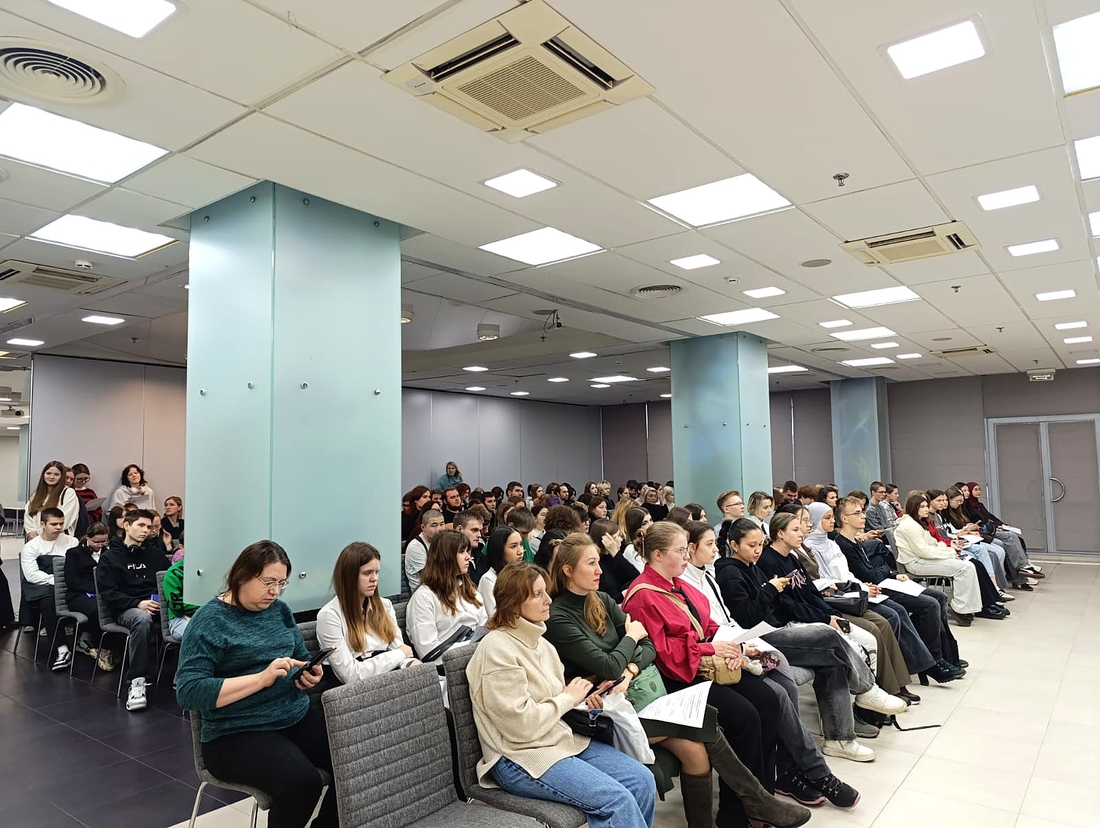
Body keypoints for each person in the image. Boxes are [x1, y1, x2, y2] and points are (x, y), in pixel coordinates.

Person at [545, 534, 811, 828]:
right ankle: (756, 805)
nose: (600, 570)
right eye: (592, 563)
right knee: (719, 723)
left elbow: (647, 647)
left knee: (715, 737)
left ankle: (756, 805)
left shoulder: (603, 599)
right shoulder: (560, 616)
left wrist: (630, 667)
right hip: (606, 709)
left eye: (598, 562)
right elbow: (612, 662)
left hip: (634, 690)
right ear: (568, 570)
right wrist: (631, 639)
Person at [466, 562, 656, 828]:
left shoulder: (541, 644)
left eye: (546, 591)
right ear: (513, 603)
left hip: (559, 742)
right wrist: (567, 698)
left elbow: (555, 701)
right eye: (537, 594)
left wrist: (584, 701)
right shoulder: (497, 650)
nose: (548, 600)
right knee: (617, 801)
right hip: (518, 758)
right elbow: (519, 727)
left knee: (642, 781)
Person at [176, 540, 335, 828]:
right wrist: (260, 679)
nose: (275, 591)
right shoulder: (209, 620)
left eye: (281, 584)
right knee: (302, 783)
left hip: (292, 716)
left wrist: (309, 674)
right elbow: (189, 692)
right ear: (242, 576)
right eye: (268, 582)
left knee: (353, 761)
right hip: (235, 733)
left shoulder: (279, 610)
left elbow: (300, 657)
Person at [714, 519, 905, 745]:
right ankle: (866, 689)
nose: (757, 551)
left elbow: (798, 598)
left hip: (776, 627)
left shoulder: (753, 566)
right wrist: (770, 590)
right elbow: (748, 617)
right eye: (751, 545)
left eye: (759, 545)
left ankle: (840, 740)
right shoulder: (730, 573)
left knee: (832, 659)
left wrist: (820, 612)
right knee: (828, 637)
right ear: (734, 545)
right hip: (759, 637)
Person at [756, 512, 916, 701]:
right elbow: (788, 605)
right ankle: (864, 697)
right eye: (796, 529)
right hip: (794, 622)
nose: (801, 534)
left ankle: (869, 697)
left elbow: (811, 594)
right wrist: (826, 618)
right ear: (780, 533)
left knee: (869, 639)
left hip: (814, 614)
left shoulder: (792, 559)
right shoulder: (767, 562)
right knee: (854, 645)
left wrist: (832, 614)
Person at [829, 499, 964, 683]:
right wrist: (885, 570)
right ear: (844, 518)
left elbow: (872, 570)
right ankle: (934, 660)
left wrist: (891, 573)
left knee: (939, 597)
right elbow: (868, 574)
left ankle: (946, 655)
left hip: (881, 582)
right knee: (928, 605)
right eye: (858, 513)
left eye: (862, 512)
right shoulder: (843, 544)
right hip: (872, 588)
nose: (863, 516)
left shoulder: (854, 540)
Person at [96, 509, 168, 711]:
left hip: (157, 605)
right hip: (127, 608)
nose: (146, 530)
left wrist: (158, 601)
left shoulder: (155, 554)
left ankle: (186, 676)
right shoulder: (110, 558)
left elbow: (167, 582)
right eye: (141, 525)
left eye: (149, 527)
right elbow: (109, 593)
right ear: (126, 526)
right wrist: (137, 603)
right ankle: (137, 681)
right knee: (142, 619)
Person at [316, 542, 417, 684]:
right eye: (367, 573)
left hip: (390, 681)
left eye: (376, 572)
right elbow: (351, 676)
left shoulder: (385, 605)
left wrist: (411, 664)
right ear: (349, 576)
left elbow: (401, 652)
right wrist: (398, 655)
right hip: (357, 692)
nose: (374, 578)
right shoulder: (329, 616)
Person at [894, 493, 985, 625]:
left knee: (968, 565)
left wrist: (949, 551)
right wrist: (948, 553)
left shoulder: (917, 522)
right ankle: (960, 608)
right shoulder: (909, 526)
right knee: (965, 568)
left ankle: (965, 608)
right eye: (922, 507)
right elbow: (923, 551)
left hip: (923, 559)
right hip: (916, 563)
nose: (927, 509)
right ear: (914, 508)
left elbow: (932, 543)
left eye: (926, 506)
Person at [406, 529, 487, 664]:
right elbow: (428, 653)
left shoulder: (471, 592)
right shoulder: (423, 598)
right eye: (461, 552)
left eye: (467, 551)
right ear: (445, 557)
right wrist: (473, 645)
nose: (468, 557)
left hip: (480, 659)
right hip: (448, 669)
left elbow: (483, 630)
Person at [20, 507, 79, 671]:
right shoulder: (31, 547)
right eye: (54, 524)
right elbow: (32, 575)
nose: (58, 527)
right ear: (42, 525)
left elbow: (78, 567)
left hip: (69, 586)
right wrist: (56, 581)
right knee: (49, 603)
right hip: (42, 588)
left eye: (61, 524)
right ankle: (62, 650)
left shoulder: (72, 542)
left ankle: (89, 642)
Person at [64, 522, 114, 670]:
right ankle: (98, 645)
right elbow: (72, 580)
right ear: (87, 537)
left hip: (103, 593)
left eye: (104, 541)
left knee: (115, 606)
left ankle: (113, 645)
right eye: (96, 542)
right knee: (98, 610)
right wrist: (97, 589)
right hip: (79, 594)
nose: (100, 545)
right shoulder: (74, 554)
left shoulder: (109, 554)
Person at [478, 526, 526, 616]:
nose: (520, 551)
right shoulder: (489, 579)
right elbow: (495, 616)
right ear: (499, 550)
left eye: (521, 544)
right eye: (513, 546)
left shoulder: (523, 575)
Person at [588, 518, 638, 603]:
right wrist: (622, 595)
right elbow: (602, 597)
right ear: (606, 541)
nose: (621, 539)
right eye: (617, 536)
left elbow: (636, 576)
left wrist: (615, 553)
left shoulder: (615, 557)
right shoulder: (597, 563)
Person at [25, 460, 79, 538]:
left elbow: (66, 518)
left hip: (59, 539)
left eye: (56, 474)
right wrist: (32, 532)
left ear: (62, 477)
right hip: (36, 540)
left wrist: (43, 534)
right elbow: (28, 514)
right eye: (48, 473)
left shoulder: (68, 493)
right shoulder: (36, 494)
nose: (51, 477)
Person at [404, 509, 445, 593]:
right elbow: (429, 577)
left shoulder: (442, 542)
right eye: (434, 525)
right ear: (423, 527)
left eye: (442, 524)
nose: (439, 529)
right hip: (423, 592)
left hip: (442, 589)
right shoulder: (415, 546)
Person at [163, 556, 200, 639]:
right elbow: (176, 606)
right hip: (181, 618)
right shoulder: (174, 573)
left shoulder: (213, 570)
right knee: (205, 633)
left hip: (210, 615)